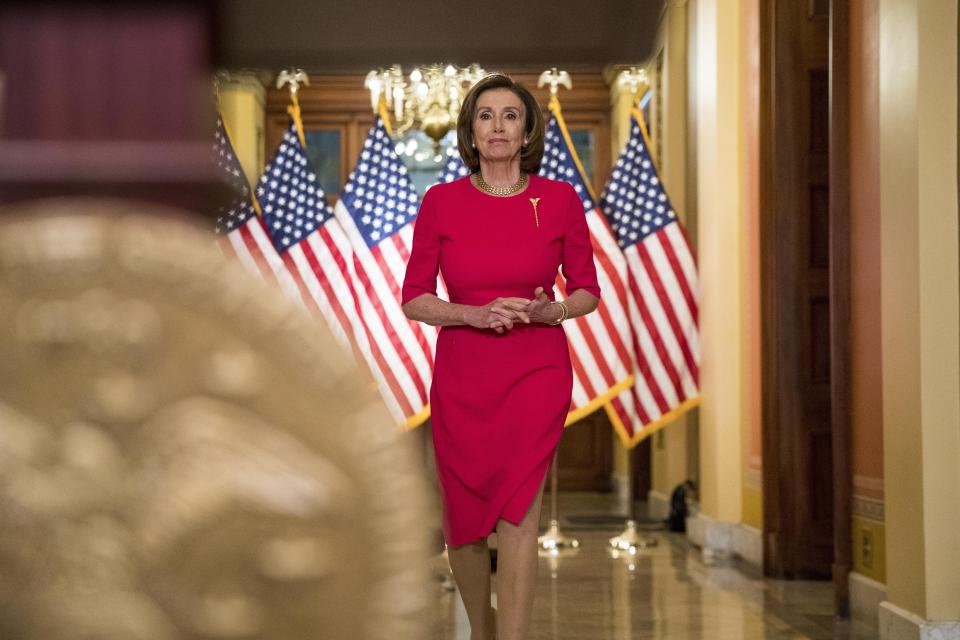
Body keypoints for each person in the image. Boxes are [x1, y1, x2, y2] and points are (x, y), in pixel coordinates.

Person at [401, 73, 600, 640]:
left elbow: (586, 290)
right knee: (462, 527)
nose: (497, 126)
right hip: (464, 375)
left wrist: (549, 312)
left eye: (510, 115)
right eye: (485, 115)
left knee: (519, 516)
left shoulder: (558, 200)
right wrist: (474, 314)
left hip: (536, 370)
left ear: (527, 128)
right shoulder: (441, 202)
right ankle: (484, 629)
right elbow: (415, 298)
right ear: (470, 130)